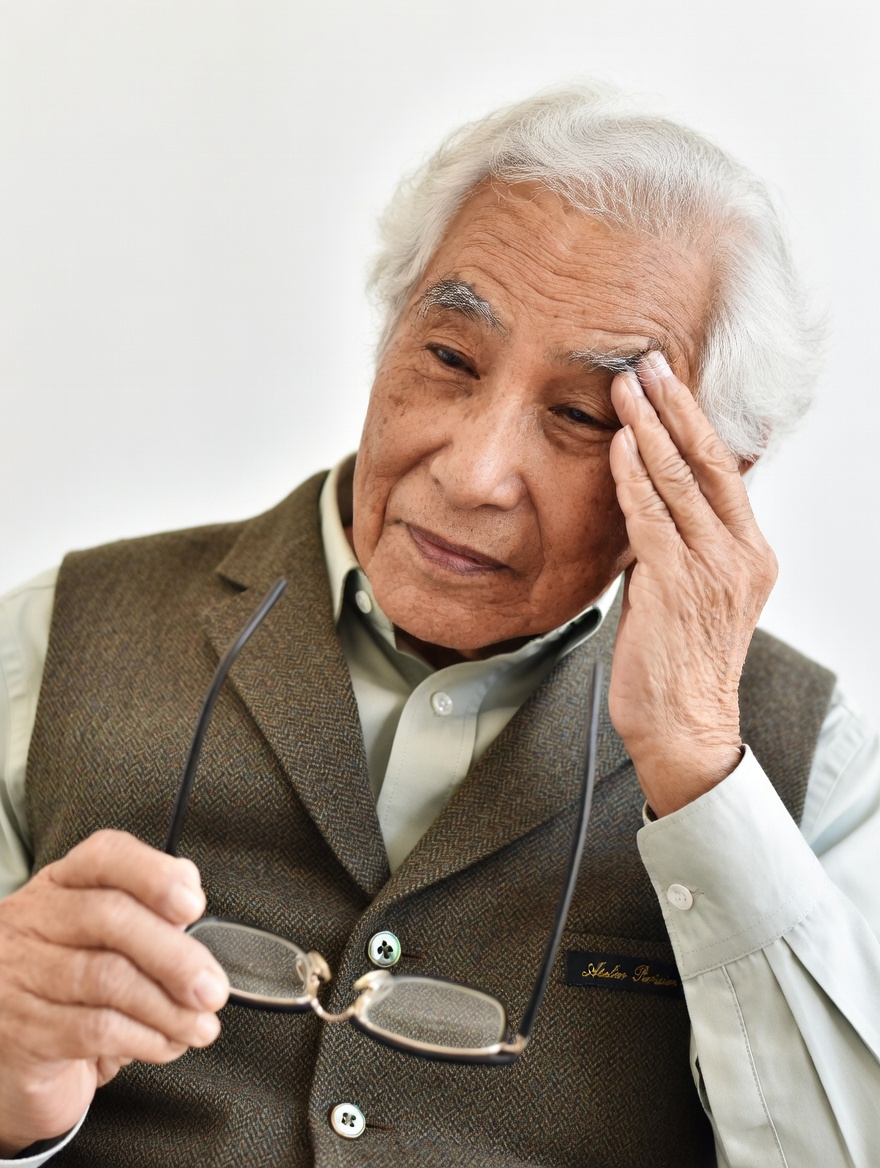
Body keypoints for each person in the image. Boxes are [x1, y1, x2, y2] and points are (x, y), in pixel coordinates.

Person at [0, 84, 878, 1167]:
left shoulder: (814, 767)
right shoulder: (48, 645)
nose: (472, 473)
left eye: (579, 417)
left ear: (707, 471)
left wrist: (696, 757)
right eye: (450, 359)